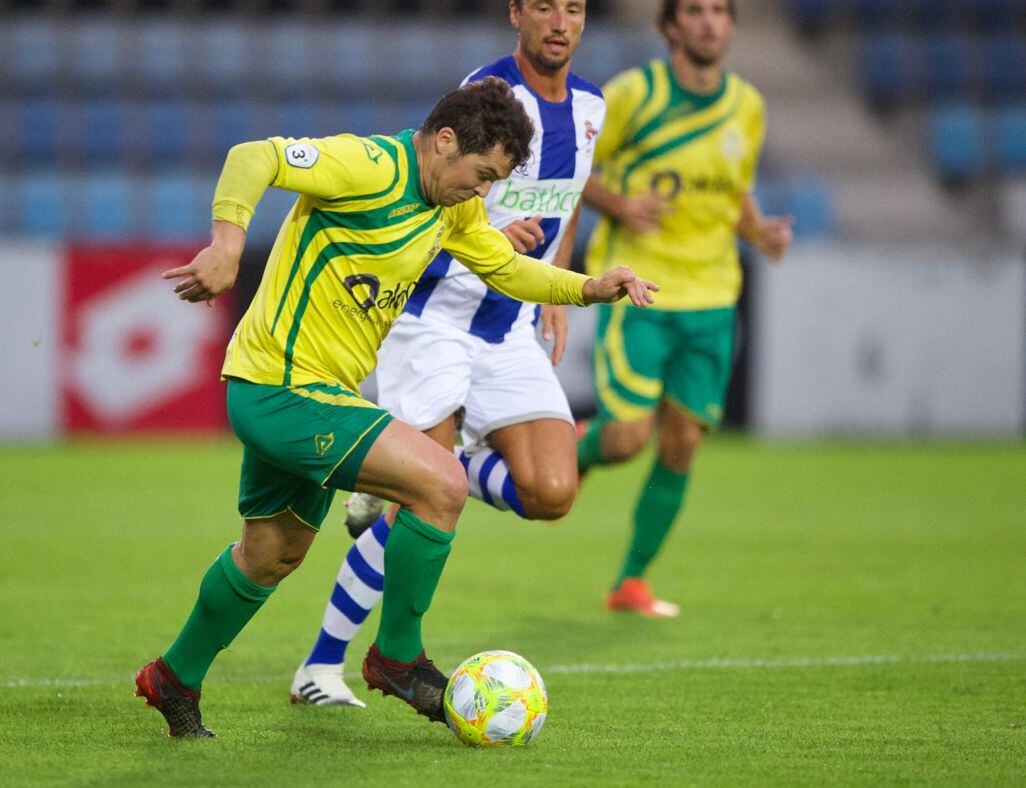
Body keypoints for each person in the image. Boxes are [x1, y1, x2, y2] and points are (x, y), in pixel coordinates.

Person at [133, 77, 658, 739]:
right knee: (441, 482)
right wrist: (229, 244)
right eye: (483, 173)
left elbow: (505, 268)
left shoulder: (454, 207)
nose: (486, 193)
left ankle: (173, 678)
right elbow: (253, 155)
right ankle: (397, 657)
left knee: (270, 554)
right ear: (444, 142)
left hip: (315, 394)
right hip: (281, 388)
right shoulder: (369, 166)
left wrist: (589, 287)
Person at [290, 0, 605, 708]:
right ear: (516, 14)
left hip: (511, 324)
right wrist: (493, 228)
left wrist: (559, 276)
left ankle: (408, 469)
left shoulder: (593, 106)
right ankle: (321, 665)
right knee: (424, 498)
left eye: (576, 8)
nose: (561, 22)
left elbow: (573, 193)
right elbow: (430, 191)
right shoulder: (488, 93)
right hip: (434, 316)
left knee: (553, 492)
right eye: (545, 7)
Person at [576, 0, 792, 617]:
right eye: (693, 11)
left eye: (719, 12)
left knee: (682, 444)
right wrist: (619, 205)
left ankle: (631, 583)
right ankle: (580, 451)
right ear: (669, 27)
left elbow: (735, 190)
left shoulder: (746, 106)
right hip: (640, 288)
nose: (708, 22)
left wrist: (761, 235)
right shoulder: (633, 96)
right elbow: (571, 170)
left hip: (714, 298)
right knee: (625, 439)